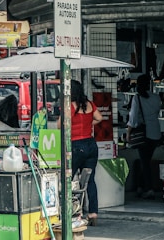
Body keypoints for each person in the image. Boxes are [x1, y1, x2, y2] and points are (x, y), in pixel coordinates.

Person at [57, 80, 102, 225]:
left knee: (68, 180)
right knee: (90, 181)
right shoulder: (89, 104)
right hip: (91, 144)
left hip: (75, 146)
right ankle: (93, 213)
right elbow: (99, 118)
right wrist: (89, 124)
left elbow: (59, 126)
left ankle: (70, 212)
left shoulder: (68, 106)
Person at [127, 73, 162, 200]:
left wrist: (128, 133)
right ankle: (141, 186)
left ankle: (148, 188)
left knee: (145, 162)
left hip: (144, 134)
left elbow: (133, 118)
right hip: (156, 132)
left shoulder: (137, 98)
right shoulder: (156, 97)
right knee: (145, 161)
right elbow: (158, 111)